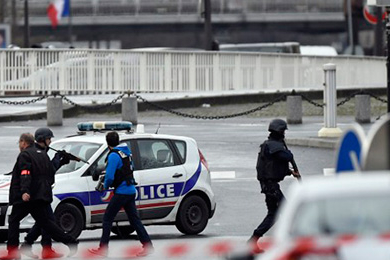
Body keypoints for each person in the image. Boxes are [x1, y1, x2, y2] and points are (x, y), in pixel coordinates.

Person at [0, 132, 78, 260]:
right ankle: (71, 242)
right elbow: (50, 175)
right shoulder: (43, 155)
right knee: (46, 223)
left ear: (24, 142)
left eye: (20, 143)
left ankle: (13, 252)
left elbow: (25, 173)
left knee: (14, 220)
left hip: (26, 197)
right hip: (40, 196)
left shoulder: (25, 155)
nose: (19, 145)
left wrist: (25, 191)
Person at [89, 131, 153, 257]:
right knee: (135, 220)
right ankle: (148, 245)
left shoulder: (113, 155)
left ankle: (103, 249)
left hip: (122, 192)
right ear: (118, 141)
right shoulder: (126, 153)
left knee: (107, 218)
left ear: (107, 143)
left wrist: (105, 186)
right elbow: (129, 169)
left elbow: (110, 176)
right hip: (130, 190)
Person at [248, 119, 300, 253]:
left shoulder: (269, 145)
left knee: (273, 215)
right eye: (283, 132)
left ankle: (253, 240)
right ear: (280, 132)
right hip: (271, 187)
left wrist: (290, 172)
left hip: (269, 186)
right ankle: (291, 242)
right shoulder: (273, 146)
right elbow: (286, 156)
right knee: (288, 211)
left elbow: (272, 166)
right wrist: (289, 153)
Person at [20, 128, 71, 259]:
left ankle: (31, 245)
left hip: (42, 193)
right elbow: (47, 172)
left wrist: (59, 160)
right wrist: (58, 160)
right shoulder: (39, 153)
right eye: (49, 139)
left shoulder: (42, 151)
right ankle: (46, 249)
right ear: (43, 139)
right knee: (48, 222)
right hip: (39, 194)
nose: (50, 141)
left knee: (44, 222)